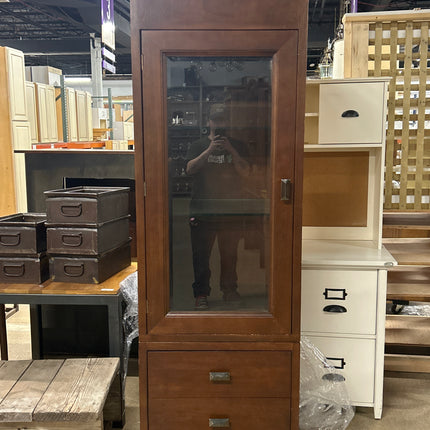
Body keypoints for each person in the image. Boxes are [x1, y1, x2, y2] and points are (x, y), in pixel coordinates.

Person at [186, 104, 250, 310]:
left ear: (227, 122)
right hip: (202, 210)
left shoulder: (239, 146)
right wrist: (209, 150)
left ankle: (230, 290)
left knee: (230, 254)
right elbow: (190, 169)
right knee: (201, 256)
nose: (219, 124)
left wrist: (231, 150)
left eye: (222, 120)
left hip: (230, 210)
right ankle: (201, 293)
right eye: (215, 120)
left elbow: (246, 173)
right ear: (208, 122)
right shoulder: (197, 145)